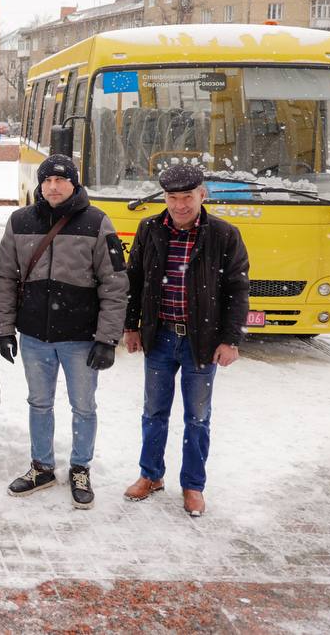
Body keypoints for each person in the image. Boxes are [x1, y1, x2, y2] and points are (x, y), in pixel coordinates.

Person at [0, 155, 128, 509]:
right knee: (39, 403)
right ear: (40, 185)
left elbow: (115, 284)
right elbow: (5, 278)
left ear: (74, 183)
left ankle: (80, 468)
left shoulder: (97, 222)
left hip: (80, 338)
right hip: (34, 336)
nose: (53, 187)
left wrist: (107, 339)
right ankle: (42, 467)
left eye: (61, 180)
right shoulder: (20, 221)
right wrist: (5, 330)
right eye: (47, 181)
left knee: (83, 406)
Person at [121, 163, 249, 518]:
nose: (180, 205)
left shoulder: (224, 234)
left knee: (197, 418)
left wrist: (230, 339)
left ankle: (193, 486)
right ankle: (151, 475)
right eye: (172, 197)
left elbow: (237, 290)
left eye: (187, 196)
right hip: (160, 337)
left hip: (201, 342)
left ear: (202, 194)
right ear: (164, 198)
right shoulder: (149, 229)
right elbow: (135, 280)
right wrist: (131, 326)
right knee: (154, 412)